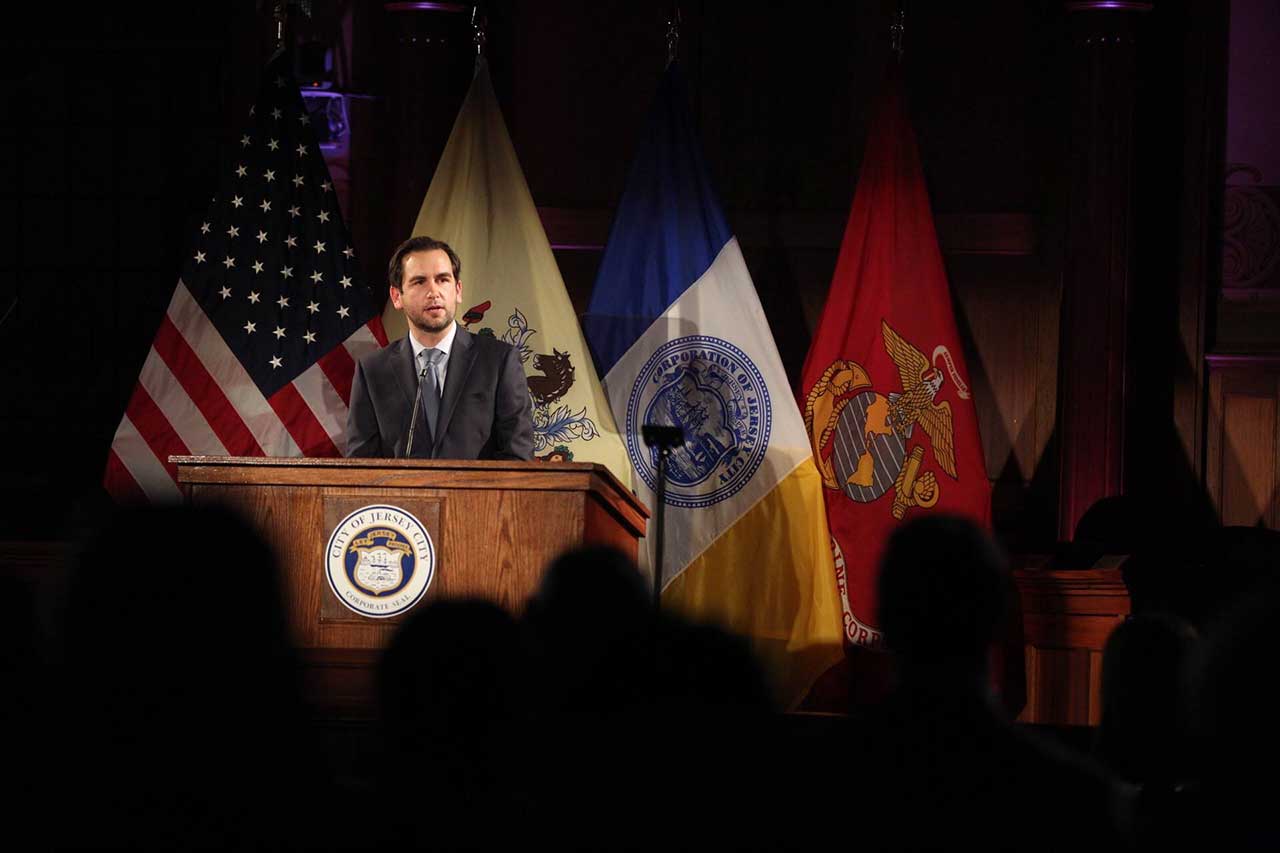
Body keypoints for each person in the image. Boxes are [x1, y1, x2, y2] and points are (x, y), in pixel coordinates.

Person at [346, 236, 534, 459]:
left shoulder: (499, 361)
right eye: (419, 281)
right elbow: (361, 465)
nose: (433, 292)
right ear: (397, 297)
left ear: (458, 290)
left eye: (442, 279)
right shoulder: (373, 371)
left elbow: (517, 457)